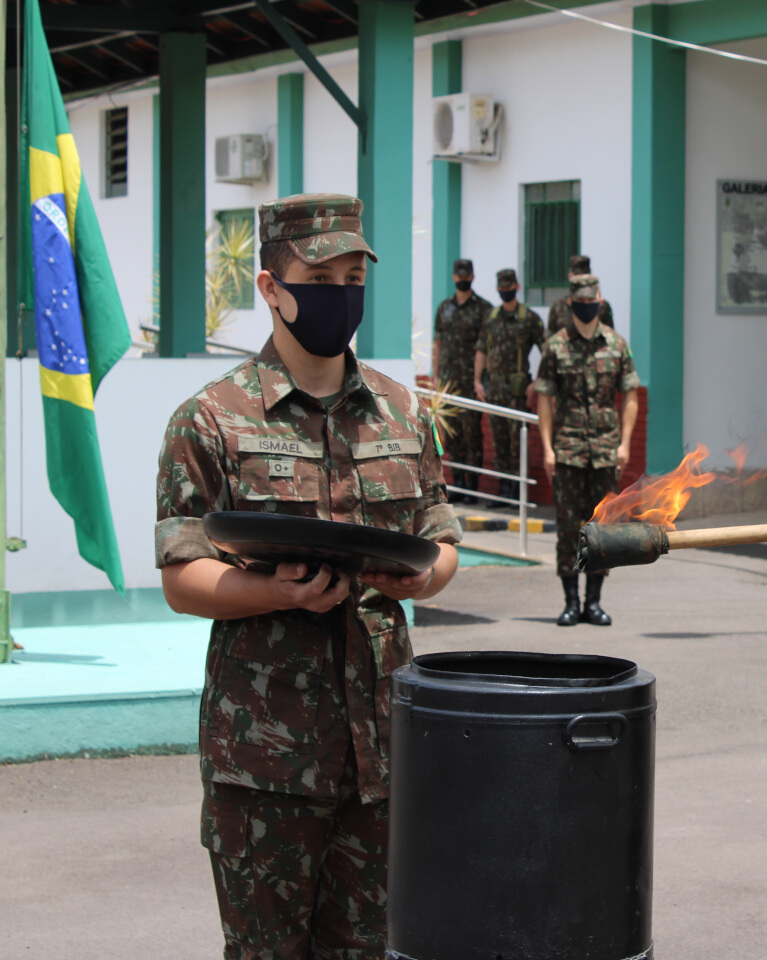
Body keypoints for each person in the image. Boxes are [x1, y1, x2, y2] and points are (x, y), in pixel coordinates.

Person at [155, 193, 463, 960]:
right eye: (321, 274)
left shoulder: (401, 413)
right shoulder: (212, 419)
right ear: (272, 287)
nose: (341, 291)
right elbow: (182, 574)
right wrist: (275, 592)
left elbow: (440, 537)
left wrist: (424, 580)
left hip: (386, 756)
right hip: (264, 760)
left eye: (354, 274)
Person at [535, 274, 639, 627]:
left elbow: (630, 396)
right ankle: (570, 602)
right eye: (579, 299)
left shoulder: (616, 344)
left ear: (599, 298)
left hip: (607, 450)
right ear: (570, 303)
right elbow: (545, 400)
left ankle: (594, 603)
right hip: (567, 451)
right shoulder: (555, 346)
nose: (585, 304)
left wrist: (625, 443)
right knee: (567, 527)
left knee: (603, 526)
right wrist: (547, 448)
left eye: (590, 298)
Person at [475, 268, 545, 508]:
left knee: (518, 444)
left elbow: (548, 351)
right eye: (502, 289)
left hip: (517, 392)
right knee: (499, 443)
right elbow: (482, 349)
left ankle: (517, 492)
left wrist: (536, 383)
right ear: (498, 289)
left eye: (509, 288)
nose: (506, 292)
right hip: (494, 390)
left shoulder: (529, 318)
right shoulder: (491, 318)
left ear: (517, 287)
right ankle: (503, 490)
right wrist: (477, 381)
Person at [433, 258, 492, 504]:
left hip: (470, 383)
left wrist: (480, 380)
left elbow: (487, 346)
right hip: (449, 382)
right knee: (453, 435)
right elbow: (437, 343)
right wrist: (435, 376)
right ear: (453, 278)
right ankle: (458, 484)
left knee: (472, 436)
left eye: (466, 276)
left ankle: (472, 485)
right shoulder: (444, 307)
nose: (462, 279)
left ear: (472, 277)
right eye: (459, 276)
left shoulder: (484, 308)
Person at [545, 253, 614, 339]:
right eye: (577, 277)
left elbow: (610, 337)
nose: (582, 281)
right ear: (570, 276)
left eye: (584, 276)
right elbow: (550, 337)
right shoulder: (558, 306)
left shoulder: (602, 306)